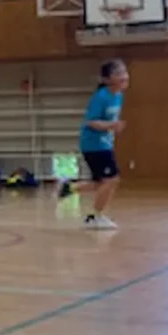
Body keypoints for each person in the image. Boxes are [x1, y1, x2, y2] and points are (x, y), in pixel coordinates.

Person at [58, 59, 128, 230]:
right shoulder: (101, 96)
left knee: (101, 182)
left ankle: (71, 187)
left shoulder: (118, 96)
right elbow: (91, 122)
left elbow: (108, 120)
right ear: (107, 79)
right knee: (112, 179)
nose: (124, 76)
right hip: (94, 144)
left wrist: (113, 128)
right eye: (118, 73)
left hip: (104, 144)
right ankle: (95, 217)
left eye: (125, 72)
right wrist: (112, 126)